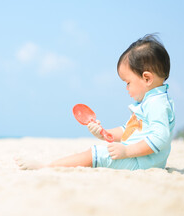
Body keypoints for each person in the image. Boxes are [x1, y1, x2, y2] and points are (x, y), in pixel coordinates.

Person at [16, 34, 175, 170]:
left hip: (142, 162)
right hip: (141, 159)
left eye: (128, 82)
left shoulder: (157, 104)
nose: (126, 88)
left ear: (147, 78)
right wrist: (104, 133)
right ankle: (49, 165)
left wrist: (127, 152)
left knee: (94, 154)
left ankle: (46, 167)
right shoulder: (149, 102)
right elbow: (129, 130)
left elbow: (160, 138)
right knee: (95, 152)